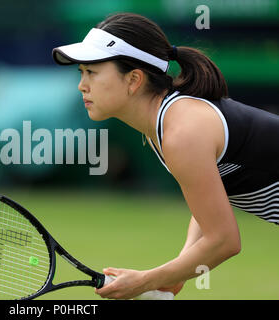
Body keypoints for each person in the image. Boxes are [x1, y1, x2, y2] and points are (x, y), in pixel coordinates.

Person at [52, 12, 279, 299]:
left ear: (134, 79)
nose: (81, 85)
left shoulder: (182, 132)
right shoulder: (166, 123)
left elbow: (224, 240)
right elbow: (210, 200)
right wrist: (180, 269)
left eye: (92, 72)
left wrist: (146, 280)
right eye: (81, 72)